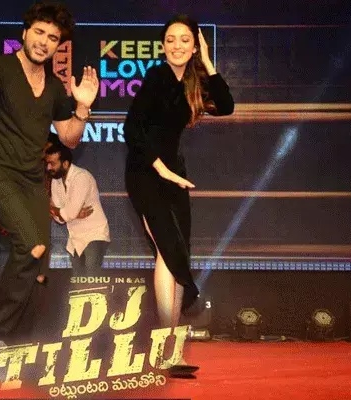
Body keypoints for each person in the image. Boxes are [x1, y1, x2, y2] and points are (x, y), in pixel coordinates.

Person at [0, 2, 98, 380]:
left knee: (39, 264)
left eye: (53, 38)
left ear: (59, 45)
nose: (44, 42)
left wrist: (82, 107)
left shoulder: (54, 88)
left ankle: (18, 341)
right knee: (30, 246)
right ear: (25, 33)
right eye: (39, 33)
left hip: (31, 181)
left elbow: (69, 138)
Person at [124, 15, 234, 375]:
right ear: (162, 45)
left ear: (195, 45)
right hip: (146, 173)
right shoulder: (157, 77)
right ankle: (166, 348)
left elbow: (226, 106)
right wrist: (160, 168)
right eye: (171, 39)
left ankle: (171, 350)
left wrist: (207, 61)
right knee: (167, 252)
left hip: (175, 177)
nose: (177, 46)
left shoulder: (192, 81)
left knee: (177, 254)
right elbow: (132, 129)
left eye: (185, 40)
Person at [46, 143, 110, 276]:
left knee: (91, 280)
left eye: (52, 164)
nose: (48, 167)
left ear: (65, 164)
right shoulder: (56, 180)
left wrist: (52, 208)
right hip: (74, 238)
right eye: (48, 163)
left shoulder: (81, 177)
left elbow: (68, 213)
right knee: (77, 282)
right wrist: (66, 213)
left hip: (94, 235)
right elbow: (61, 219)